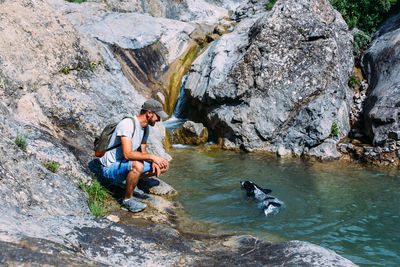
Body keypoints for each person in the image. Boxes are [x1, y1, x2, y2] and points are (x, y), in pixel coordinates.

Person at [100, 99, 169, 212]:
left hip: (123, 165)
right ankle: (127, 200)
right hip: (109, 168)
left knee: (163, 165)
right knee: (138, 165)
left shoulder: (145, 128)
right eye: (158, 116)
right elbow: (127, 154)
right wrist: (152, 157)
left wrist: (154, 162)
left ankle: (127, 182)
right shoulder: (127, 124)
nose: (159, 119)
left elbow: (143, 152)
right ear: (149, 113)